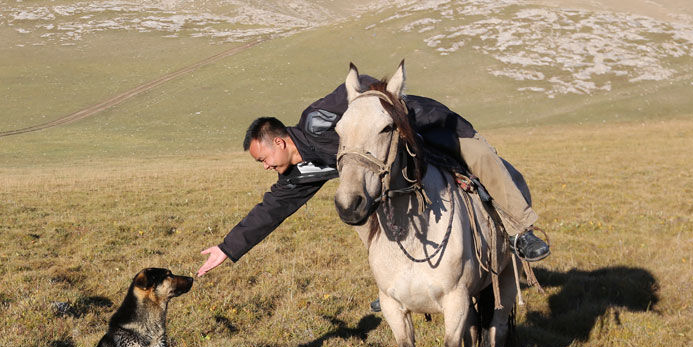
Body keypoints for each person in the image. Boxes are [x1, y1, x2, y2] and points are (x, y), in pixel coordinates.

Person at [197, 76, 550, 288]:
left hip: (423, 127)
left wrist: (380, 104)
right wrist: (227, 249)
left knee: (482, 156)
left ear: (279, 142)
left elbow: (361, 83)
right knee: (354, 202)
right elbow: (270, 210)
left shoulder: (317, 120)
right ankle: (394, 282)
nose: (265, 166)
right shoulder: (299, 173)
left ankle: (521, 231)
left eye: (263, 159)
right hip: (394, 170)